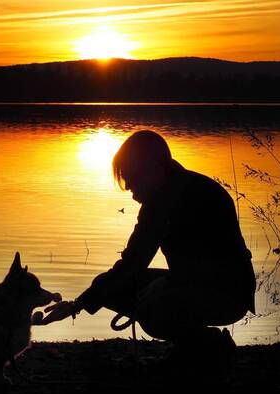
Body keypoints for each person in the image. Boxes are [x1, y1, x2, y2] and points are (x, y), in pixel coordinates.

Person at [41, 130, 256, 365]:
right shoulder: (173, 191)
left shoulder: (174, 199)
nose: (132, 193)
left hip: (228, 293)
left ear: (153, 168)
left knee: (153, 305)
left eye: (132, 180)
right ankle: (191, 343)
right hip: (199, 284)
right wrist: (80, 304)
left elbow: (138, 262)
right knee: (117, 287)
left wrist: (166, 284)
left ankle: (208, 344)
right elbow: (134, 262)